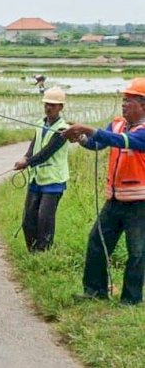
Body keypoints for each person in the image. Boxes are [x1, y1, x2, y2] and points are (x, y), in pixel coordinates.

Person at [62, 78, 145, 305]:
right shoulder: (117, 123)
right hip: (115, 200)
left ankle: (131, 299)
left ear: (143, 105)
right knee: (97, 242)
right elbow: (97, 144)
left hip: (140, 203)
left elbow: (123, 141)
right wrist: (79, 137)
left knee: (137, 253)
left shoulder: (142, 132)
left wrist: (89, 129)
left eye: (129, 101)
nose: (124, 104)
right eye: (123, 100)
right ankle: (95, 291)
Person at [13, 87, 69, 252]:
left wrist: (27, 162)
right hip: (36, 178)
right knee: (28, 219)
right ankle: (33, 252)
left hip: (53, 180)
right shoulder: (40, 123)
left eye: (53, 105)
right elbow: (34, 145)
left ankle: (44, 253)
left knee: (45, 219)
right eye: (47, 104)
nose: (49, 107)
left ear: (60, 107)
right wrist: (25, 156)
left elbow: (46, 153)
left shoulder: (63, 129)